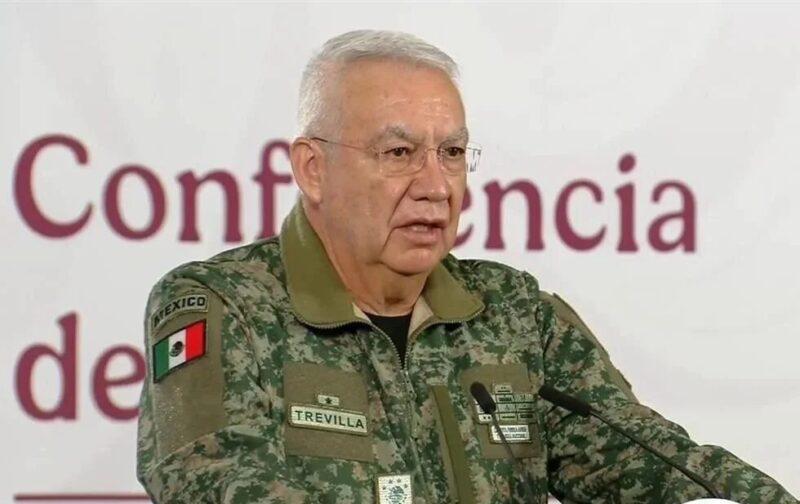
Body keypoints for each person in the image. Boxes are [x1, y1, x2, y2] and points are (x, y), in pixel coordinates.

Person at [136, 30, 797, 504]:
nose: (435, 186)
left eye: (452, 153)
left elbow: (640, 458)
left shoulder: (515, 314)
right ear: (313, 169)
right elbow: (216, 480)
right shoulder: (222, 305)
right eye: (398, 153)